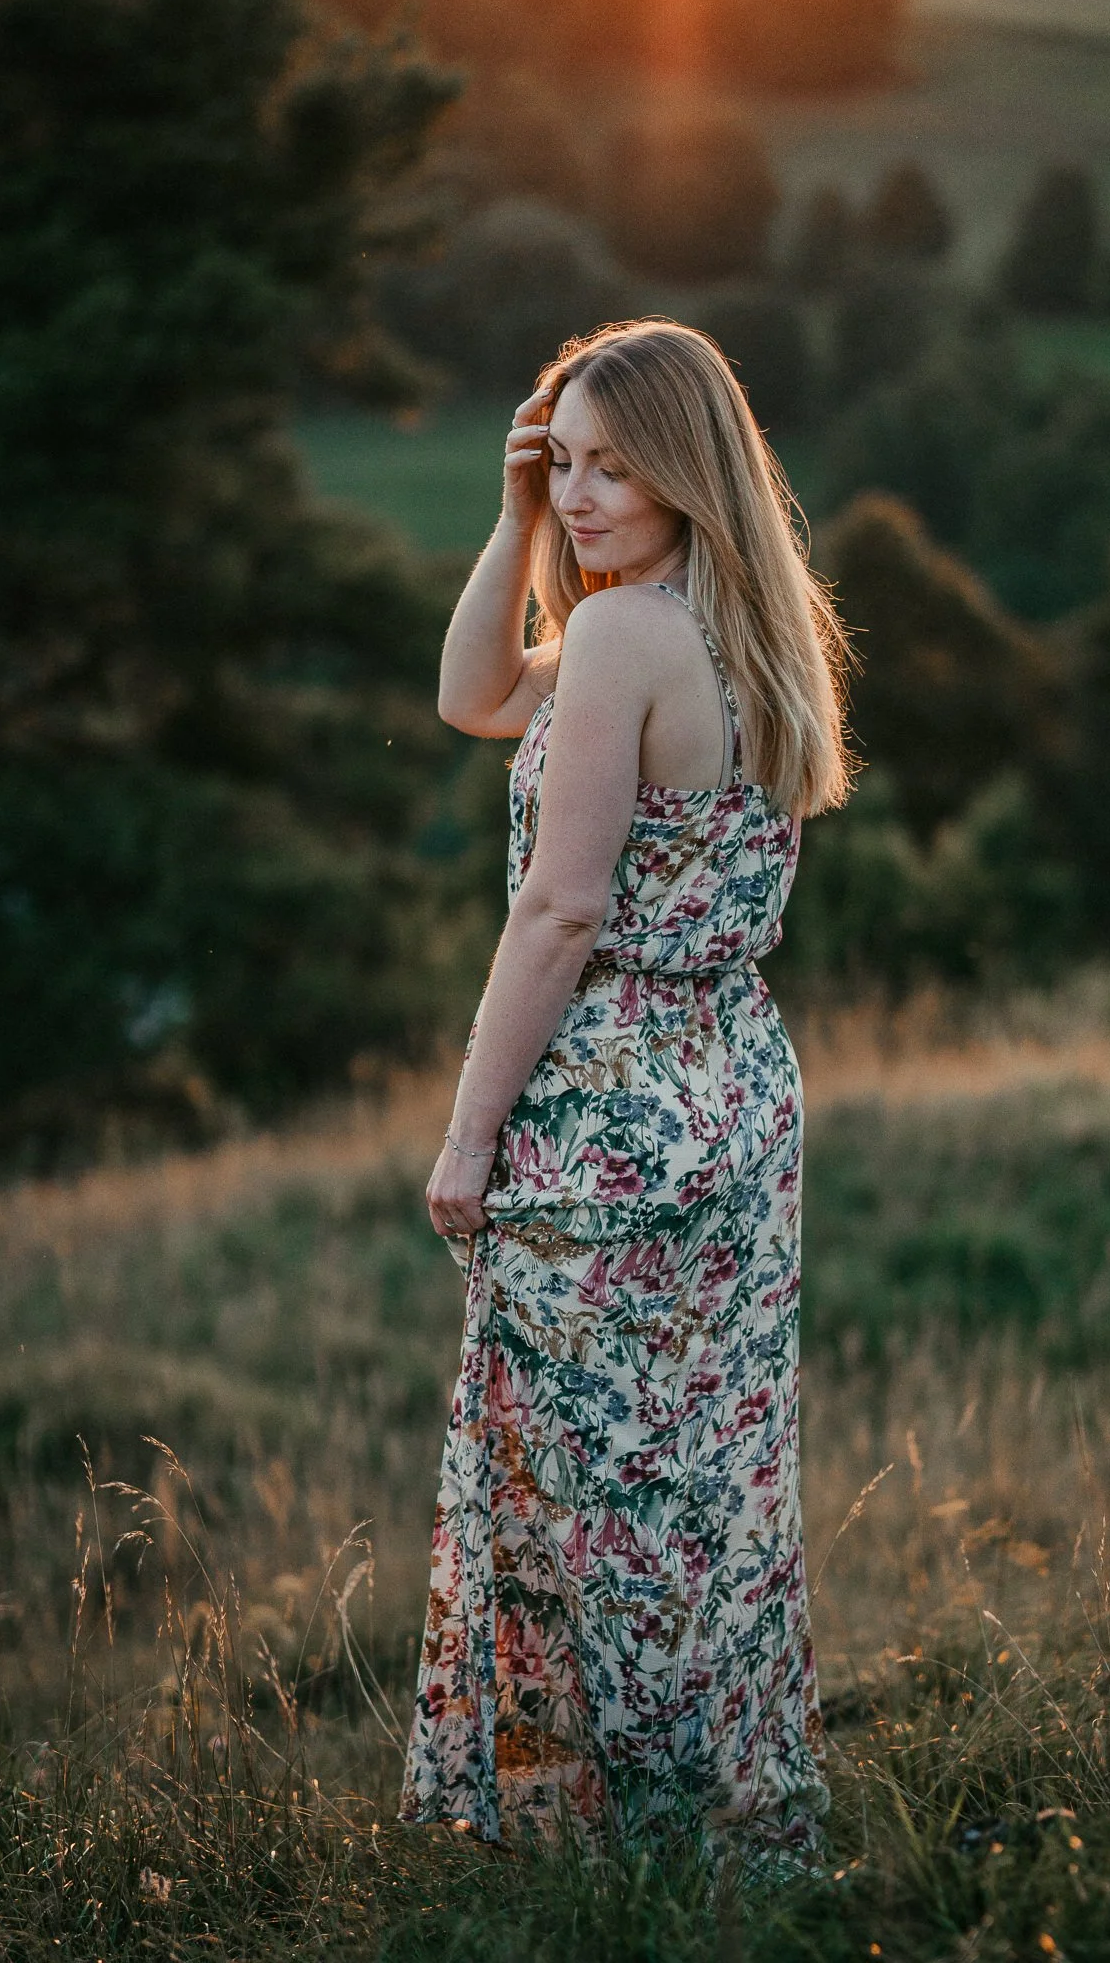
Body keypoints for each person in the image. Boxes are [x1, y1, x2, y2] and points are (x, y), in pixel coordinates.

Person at [400, 318, 852, 1859]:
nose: (580, 494)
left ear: (686, 469)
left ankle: (616, 1845)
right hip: (737, 1088)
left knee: (585, 1482)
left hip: (611, 1107)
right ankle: (725, 1814)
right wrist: (514, 512)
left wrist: (470, 1136)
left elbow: (562, 910)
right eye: (566, 463)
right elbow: (475, 695)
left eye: (612, 467)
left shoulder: (620, 640)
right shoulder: (746, 627)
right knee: (710, 1470)